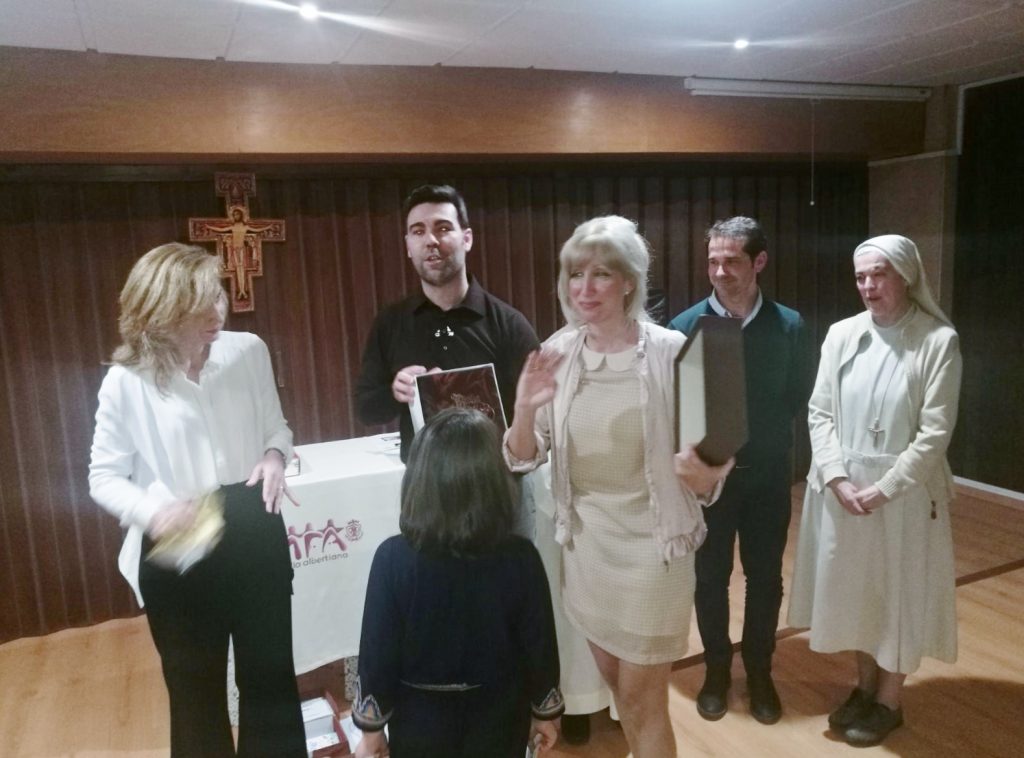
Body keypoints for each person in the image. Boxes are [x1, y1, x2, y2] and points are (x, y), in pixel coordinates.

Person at [504, 215, 732, 758]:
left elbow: (714, 464)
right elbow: (522, 456)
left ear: (629, 281)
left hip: (655, 550)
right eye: (575, 274)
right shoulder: (557, 352)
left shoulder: (675, 351)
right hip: (587, 548)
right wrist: (523, 409)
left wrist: (703, 471)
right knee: (621, 694)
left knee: (642, 702)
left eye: (601, 274)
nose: (584, 288)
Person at [88, 243, 305, 757]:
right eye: (198, 305)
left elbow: (277, 427)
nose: (217, 313)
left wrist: (275, 456)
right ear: (159, 313)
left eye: (218, 297)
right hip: (178, 543)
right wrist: (153, 512)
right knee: (195, 697)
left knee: (271, 682)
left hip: (253, 528)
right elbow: (103, 476)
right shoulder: (127, 381)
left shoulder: (248, 350)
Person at [787, 234, 962, 747]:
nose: (868, 285)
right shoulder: (842, 334)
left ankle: (889, 700)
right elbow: (819, 411)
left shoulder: (938, 341)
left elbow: (935, 432)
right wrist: (836, 476)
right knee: (855, 594)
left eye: (878, 274)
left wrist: (885, 487)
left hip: (904, 494)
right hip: (843, 491)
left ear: (906, 276)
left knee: (896, 594)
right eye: (860, 276)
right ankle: (864, 688)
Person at [352, 408, 564, 758]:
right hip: (500, 717)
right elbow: (539, 645)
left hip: (419, 722)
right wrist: (545, 713)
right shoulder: (521, 557)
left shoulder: (392, 558)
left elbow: (378, 653)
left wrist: (371, 731)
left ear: (418, 480)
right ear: (494, 482)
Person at [668, 216, 811, 724]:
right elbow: (677, 407)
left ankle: (759, 671)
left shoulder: (788, 326)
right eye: (713, 261)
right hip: (708, 482)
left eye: (731, 261)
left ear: (759, 261)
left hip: (767, 477)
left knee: (765, 578)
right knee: (709, 578)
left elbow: (797, 396)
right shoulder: (683, 327)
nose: (720, 271)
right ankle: (715, 671)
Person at [354, 184, 539, 464]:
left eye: (442, 228)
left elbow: (539, 413)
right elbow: (366, 410)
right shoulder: (390, 323)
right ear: (408, 246)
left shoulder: (509, 324)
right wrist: (395, 391)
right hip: (422, 483)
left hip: (496, 479)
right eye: (418, 231)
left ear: (467, 239)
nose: (431, 240)